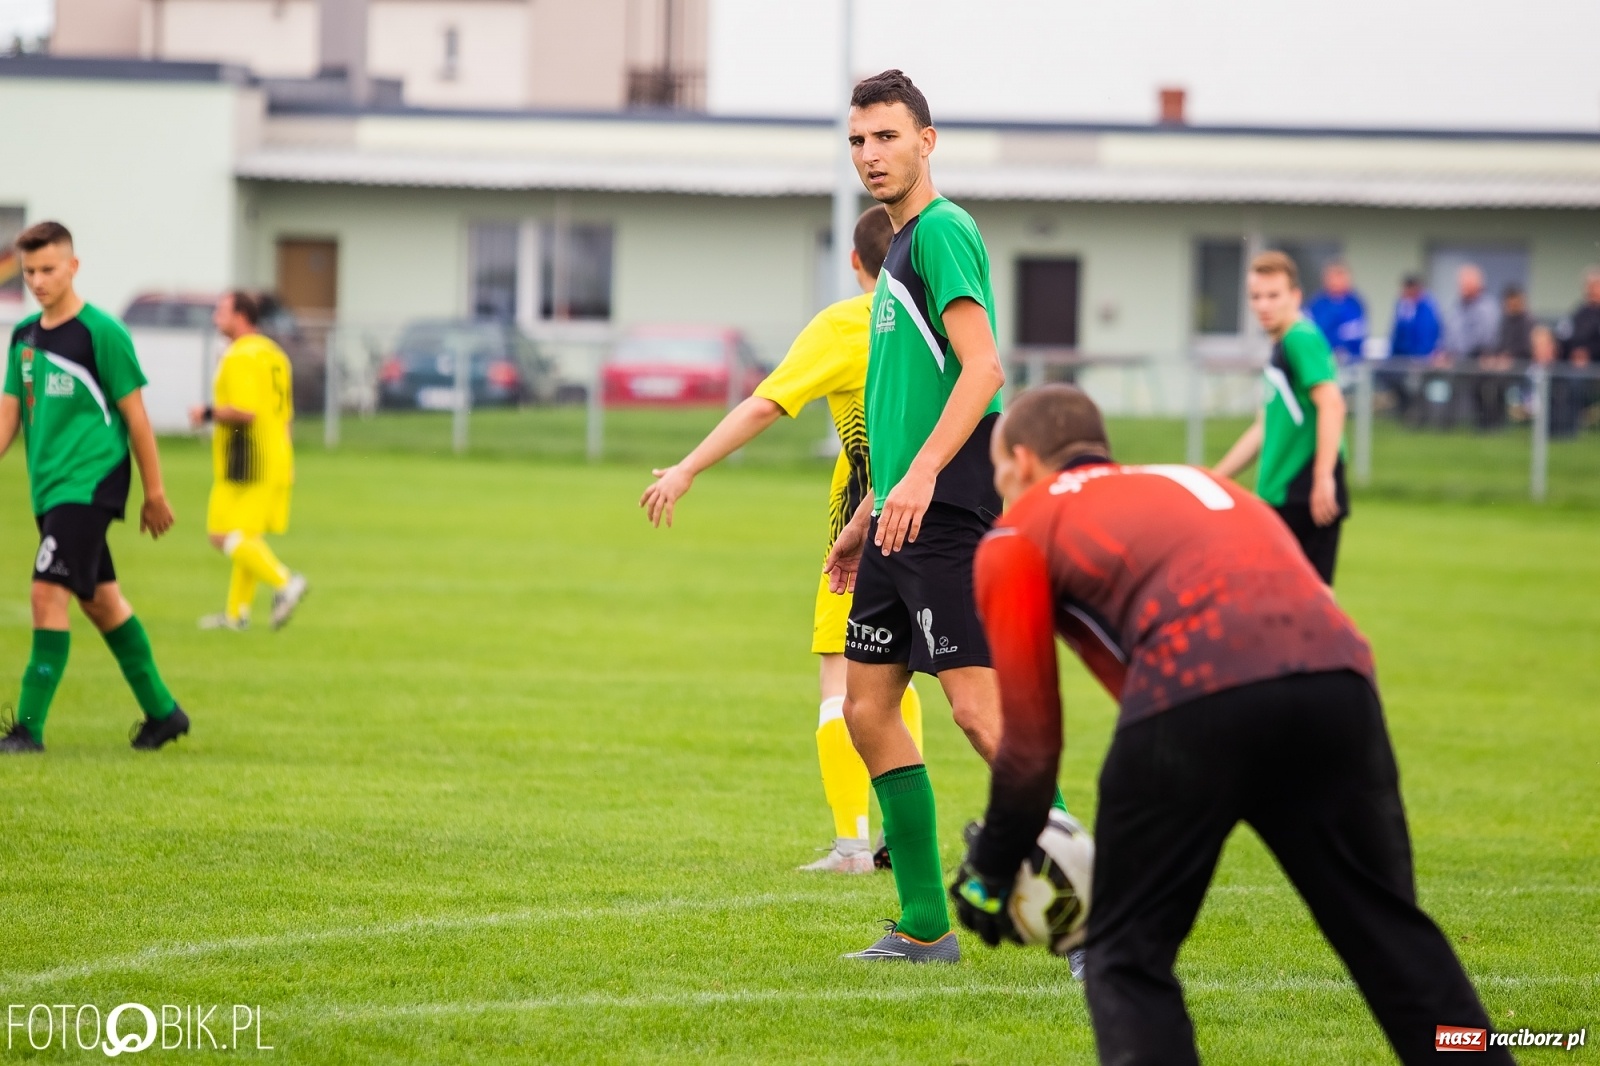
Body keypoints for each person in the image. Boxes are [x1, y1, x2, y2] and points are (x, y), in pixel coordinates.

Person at [950, 383, 1512, 1066]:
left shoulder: (1017, 532)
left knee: (1126, 956)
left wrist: (989, 870)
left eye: (999, 472)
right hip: (1338, 683)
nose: (1001, 489)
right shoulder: (1197, 481)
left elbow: (1033, 748)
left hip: (1192, 692)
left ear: (1023, 461)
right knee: (1392, 938)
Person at [822, 69, 1056, 964]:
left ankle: (1095, 911)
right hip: (898, 517)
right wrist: (870, 509)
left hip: (949, 509)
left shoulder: (944, 230)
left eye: (886, 136)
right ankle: (924, 924)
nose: (870, 154)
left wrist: (919, 477)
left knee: (981, 717)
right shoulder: (900, 247)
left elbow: (984, 368)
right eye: (857, 140)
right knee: (867, 709)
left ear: (927, 140)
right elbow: (906, 402)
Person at [639, 206, 926, 874]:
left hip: (866, 527)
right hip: (936, 519)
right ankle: (901, 836)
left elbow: (767, 403)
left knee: (841, 677)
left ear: (854, 262)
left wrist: (687, 468)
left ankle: (852, 845)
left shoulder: (845, 324)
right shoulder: (935, 320)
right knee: (901, 677)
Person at [0, 221, 191, 754]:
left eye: (48, 269)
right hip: (49, 489)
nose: (38, 281)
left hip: (90, 484)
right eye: (29, 272)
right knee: (102, 602)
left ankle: (27, 729)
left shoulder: (101, 332)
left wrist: (155, 492)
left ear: (73, 267)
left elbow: (138, 418)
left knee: (46, 593)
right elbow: (9, 416)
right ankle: (164, 714)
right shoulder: (23, 337)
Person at [1213, 251, 1348, 585]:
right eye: (1256, 296)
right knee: (1274, 596)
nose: (1263, 305)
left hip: (1303, 492)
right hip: (1279, 495)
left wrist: (1323, 477)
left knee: (1305, 598)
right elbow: (1263, 429)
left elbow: (1332, 404)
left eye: (1273, 295)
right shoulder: (1281, 347)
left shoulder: (1301, 338)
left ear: (1295, 297)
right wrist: (1215, 477)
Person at [188, 291, 308, 631]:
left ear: (241, 316)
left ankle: (285, 582)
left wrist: (206, 412)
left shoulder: (240, 355)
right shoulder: (274, 353)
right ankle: (236, 615)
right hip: (275, 455)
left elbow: (245, 411)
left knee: (221, 534)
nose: (216, 318)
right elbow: (285, 414)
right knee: (246, 537)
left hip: (246, 459)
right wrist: (287, 457)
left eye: (221, 311)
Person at [1380, 274, 1441, 416]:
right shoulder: (1402, 307)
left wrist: (1420, 357)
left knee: (1416, 382)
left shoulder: (1427, 307)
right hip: (1401, 358)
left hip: (1421, 358)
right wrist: (1392, 357)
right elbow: (1397, 335)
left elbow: (1427, 334)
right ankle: (1404, 409)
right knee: (1386, 375)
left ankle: (1416, 412)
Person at [1475, 285, 1530, 429]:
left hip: (1520, 366)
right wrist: (1490, 357)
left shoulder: (1527, 322)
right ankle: (1483, 421)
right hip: (1500, 364)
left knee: (1499, 384)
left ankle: (1498, 422)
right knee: (1478, 379)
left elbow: (1526, 348)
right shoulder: (1504, 322)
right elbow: (1497, 344)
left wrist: (1509, 357)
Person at [1306, 261, 1366, 363]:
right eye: (1331, 277)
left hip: (1349, 362)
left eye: (1339, 276)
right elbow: (1311, 331)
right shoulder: (1316, 303)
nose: (1334, 281)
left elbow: (1356, 336)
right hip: (1320, 358)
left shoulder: (1355, 304)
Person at [1440, 263, 1500, 363]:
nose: (1462, 287)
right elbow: (1448, 333)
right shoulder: (1456, 308)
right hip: (1456, 363)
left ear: (1478, 285)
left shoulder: (1488, 308)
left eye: (1466, 283)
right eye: (1460, 283)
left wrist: (1464, 351)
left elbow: (1487, 338)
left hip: (1477, 363)